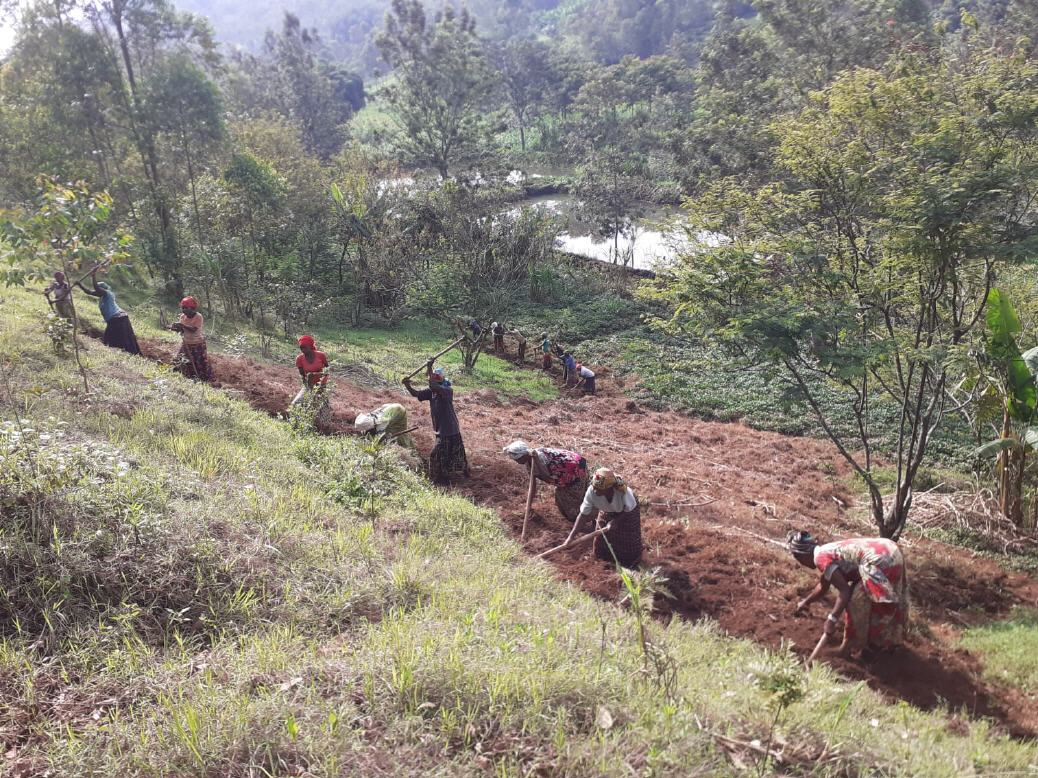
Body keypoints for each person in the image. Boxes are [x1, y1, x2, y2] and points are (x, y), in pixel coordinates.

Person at [788, 531, 908, 657]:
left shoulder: (820, 559)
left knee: (855, 602)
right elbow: (823, 586)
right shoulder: (825, 551)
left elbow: (844, 591)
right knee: (879, 598)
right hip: (890, 549)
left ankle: (852, 647)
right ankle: (890, 641)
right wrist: (806, 602)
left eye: (798, 558)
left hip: (880, 559)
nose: (800, 563)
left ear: (801, 556)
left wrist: (831, 620)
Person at [403, 363, 469, 484]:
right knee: (448, 453)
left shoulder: (447, 391)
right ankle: (446, 475)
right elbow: (416, 394)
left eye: (436, 379)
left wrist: (429, 368)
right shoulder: (431, 392)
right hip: (441, 429)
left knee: (440, 454)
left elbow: (433, 385)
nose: (434, 381)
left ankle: (441, 478)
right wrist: (407, 385)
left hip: (449, 428)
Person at [569, 468, 642, 567]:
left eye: (599, 489)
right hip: (607, 511)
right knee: (601, 539)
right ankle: (603, 561)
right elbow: (583, 514)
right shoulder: (592, 491)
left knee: (629, 541)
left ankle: (630, 564)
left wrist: (615, 521)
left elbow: (629, 510)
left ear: (609, 488)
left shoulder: (624, 492)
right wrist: (571, 537)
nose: (595, 490)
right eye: (594, 487)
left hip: (628, 512)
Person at [503, 440, 590, 521]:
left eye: (517, 459)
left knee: (572, 503)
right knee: (562, 501)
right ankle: (579, 519)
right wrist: (528, 506)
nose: (516, 461)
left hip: (576, 470)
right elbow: (533, 485)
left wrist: (537, 462)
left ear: (524, 455)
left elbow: (547, 476)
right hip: (565, 474)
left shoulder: (540, 459)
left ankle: (585, 521)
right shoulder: (529, 461)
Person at [76, 270, 140, 355]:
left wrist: (93, 276)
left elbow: (96, 288)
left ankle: (128, 353)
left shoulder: (108, 294)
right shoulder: (102, 295)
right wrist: (79, 285)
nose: (96, 292)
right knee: (115, 338)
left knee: (116, 338)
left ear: (102, 289)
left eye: (98, 290)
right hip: (116, 318)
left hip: (118, 318)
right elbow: (89, 292)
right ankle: (124, 352)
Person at [291, 335, 331, 429]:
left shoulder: (321, 355)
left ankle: (324, 429)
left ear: (310, 346)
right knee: (296, 404)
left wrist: (316, 375)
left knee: (323, 410)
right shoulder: (299, 359)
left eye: (304, 347)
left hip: (321, 386)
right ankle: (296, 426)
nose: (302, 350)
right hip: (308, 386)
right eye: (301, 348)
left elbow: (327, 370)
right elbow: (303, 377)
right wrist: (308, 388)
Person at [169, 296, 212, 382]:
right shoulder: (182, 316)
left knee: (200, 364)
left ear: (191, 308)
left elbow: (193, 329)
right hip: (186, 343)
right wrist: (175, 328)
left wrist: (182, 325)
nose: (183, 310)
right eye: (182, 307)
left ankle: (204, 380)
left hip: (198, 344)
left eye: (185, 308)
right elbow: (182, 330)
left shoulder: (198, 317)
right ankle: (178, 375)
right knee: (179, 360)